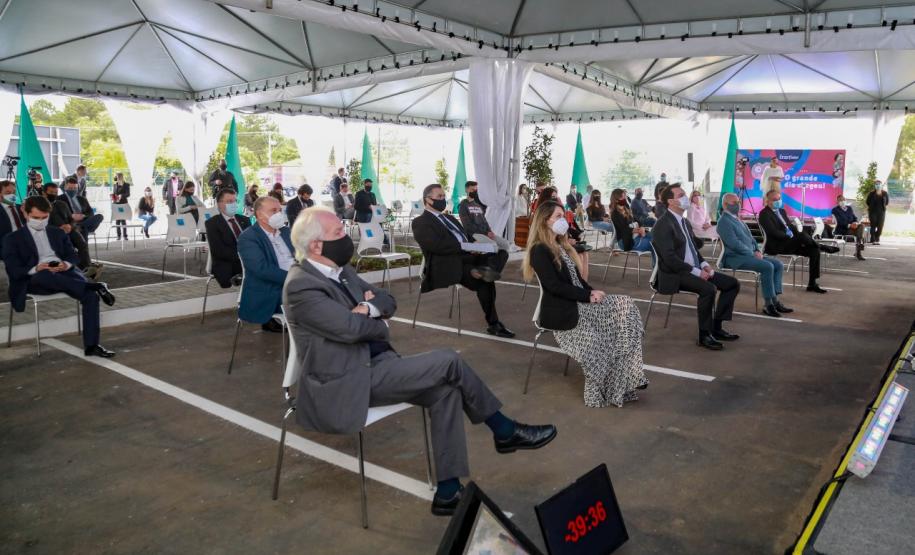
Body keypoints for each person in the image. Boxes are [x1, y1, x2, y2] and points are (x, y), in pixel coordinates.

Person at [285, 206, 557, 515]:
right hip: (347, 380)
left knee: (446, 391)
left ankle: (448, 491)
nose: (347, 237)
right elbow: (350, 329)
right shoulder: (301, 285)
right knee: (448, 361)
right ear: (316, 246)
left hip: (378, 366)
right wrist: (373, 317)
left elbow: (388, 300)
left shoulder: (342, 270)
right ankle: (505, 430)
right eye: (339, 233)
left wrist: (367, 309)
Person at [524, 201, 648, 406]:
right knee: (607, 334)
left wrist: (591, 291)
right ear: (545, 221)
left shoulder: (560, 246)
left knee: (627, 306)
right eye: (558, 216)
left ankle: (629, 377)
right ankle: (619, 382)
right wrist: (586, 297)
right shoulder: (539, 250)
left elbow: (576, 280)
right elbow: (554, 286)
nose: (563, 220)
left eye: (563, 216)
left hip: (578, 303)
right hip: (563, 311)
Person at [2, 196, 116, 357]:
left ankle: (92, 346)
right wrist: (36, 268)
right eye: (35, 217)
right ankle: (96, 285)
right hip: (35, 280)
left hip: (64, 276)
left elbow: (73, 256)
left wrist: (66, 264)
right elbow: (13, 270)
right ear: (26, 214)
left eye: (44, 217)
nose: (40, 221)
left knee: (90, 297)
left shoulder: (57, 233)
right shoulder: (12, 239)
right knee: (45, 275)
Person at [412, 184, 513, 338]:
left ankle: (484, 270)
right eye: (439, 197)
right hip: (448, 263)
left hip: (469, 256)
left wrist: (477, 245)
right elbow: (435, 246)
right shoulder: (421, 222)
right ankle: (494, 324)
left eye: (443, 196)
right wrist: (464, 247)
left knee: (501, 252)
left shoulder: (450, 217)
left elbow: (466, 235)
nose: (443, 199)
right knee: (484, 283)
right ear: (427, 200)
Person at [652, 184, 740, 351]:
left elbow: (693, 249)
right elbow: (670, 260)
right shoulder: (662, 225)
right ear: (671, 201)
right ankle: (704, 335)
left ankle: (717, 327)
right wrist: (697, 272)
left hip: (693, 268)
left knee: (732, 284)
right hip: (675, 273)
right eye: (681, 195)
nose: (686, 197)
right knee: (709, 289)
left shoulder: (684, 221)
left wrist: (704, 265)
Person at [717, 193, 792, 318]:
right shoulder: (724, 221)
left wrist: (757, 251)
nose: (738, 205)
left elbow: (751, 239)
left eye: (738, 202)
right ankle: (769, 305)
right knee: (767, 266)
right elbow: (734, 244)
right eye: (734, 203)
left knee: (778, 264)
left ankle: (775, 300)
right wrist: (752, 253)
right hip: (734, 258)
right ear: (725, 205)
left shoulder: (737, 219)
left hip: (748, 255)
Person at [758, 190, 837, 294]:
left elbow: (790, 227)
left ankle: (812, 284)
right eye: (774, 200)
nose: (778, 201)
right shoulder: (764, 214)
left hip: (790, 244)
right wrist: (789, 236)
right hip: (777, 245)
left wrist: (795, 234)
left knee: (814, 250)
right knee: (801, 236)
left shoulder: (782, 211)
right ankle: (824, 247)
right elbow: (773, 232)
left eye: (779, 199)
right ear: (767, 201)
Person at [237, 196, 293, 333]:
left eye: (280, 210)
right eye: (274, 211)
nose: (279, 214)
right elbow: (261, 269)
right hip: (272, 289)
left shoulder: (286, 232)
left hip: (297, 282)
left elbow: (303, 255)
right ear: (260, 215)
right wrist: (295, 278)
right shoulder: (248, 237)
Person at [44, 182, 96, 277]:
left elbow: (71, 219)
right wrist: (58, 229)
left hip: (69, 229)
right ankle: (73, 270)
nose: (54, 194)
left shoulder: (62, 204)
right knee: (68, 248)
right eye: (51, 192)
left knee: (82, 243)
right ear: (44, 193)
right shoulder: (40, 206)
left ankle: (85, 268)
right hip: (52, 232)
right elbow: (41, 223)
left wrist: (70, 226)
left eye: (55, 192)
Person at [205, 188, 250, 288]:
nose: (233, 204)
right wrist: (244, 257)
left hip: (249, 261)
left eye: (235, 201)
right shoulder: (213, 223)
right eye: (230, 201)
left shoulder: (245, 220)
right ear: (220, 204)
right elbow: (219, 251)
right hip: (228, 264)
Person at [458, 181, 511, 252]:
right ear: (466, 190)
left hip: (485, 233)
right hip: (474, 234)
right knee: (493, 245)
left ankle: (496, 258)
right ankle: (486, 256)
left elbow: (484, 221)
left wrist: (490, 231)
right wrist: (485, 233)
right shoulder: (463, 205)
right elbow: (468, 226)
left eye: (476, 190)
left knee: (506, 244)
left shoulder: (478, 205)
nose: (475, 192)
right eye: (472, 190)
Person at [609, 188, 652, 255]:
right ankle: (657, 264)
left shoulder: (626, 207)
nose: (625, 198)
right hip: (625, 241)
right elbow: (624, 229)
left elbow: (636, 220)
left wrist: (641, 228)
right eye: (622, 197)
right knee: (654, 244)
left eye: (625, 196)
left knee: (656, 238)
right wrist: (638, 230)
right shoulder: (615, 214)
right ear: (616, 200)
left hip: (635, 235)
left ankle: (658, 264)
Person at [831, 194, 865, 260]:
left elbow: (854, 218)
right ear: (837, 202)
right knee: (859, 232)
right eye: (840, 200)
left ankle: (858, 251)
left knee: (861, 226)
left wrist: (855, 222)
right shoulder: (835, 210)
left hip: (853, 228)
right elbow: (839, 222)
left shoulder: (849, 208)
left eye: (843, 199)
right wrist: (850, 225)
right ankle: (858, 250)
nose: (842, 201)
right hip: (842, 229)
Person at [0, 180, 24, 258]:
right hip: (6, 251)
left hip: (26, 248)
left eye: (14, 192)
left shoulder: (22, 208)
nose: (12, 195)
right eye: (8, 193)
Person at [866, 180, 889, 245]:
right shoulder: (871, 193)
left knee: (880, 226)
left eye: (879, 184)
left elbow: (887, 202)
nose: (878, 185)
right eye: (876, 184)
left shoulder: (885, 193)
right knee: (873, 225)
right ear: (875, 185)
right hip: (872, 212)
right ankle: (873, 239)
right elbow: (867, 202)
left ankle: (877, 237)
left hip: (881, 212)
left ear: (881, 185)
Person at [112, 172, 130, 241]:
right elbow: (114, 194)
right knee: (117, 221)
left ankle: (125, 236)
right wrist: (113, 197)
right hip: (116, 204)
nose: (118, 178)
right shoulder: (115, 185)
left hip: (123, 204)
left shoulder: (126, 185)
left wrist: (121, 195)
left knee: (123, 220)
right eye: (117, 177)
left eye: (119, 177)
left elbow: (128, 194)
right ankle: (118, 236)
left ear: (122, 177)